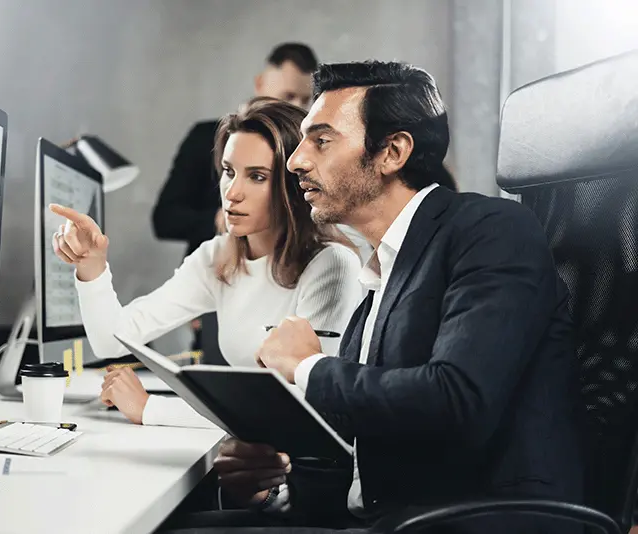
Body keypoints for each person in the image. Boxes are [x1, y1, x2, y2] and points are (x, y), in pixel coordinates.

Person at [169, 61, 583, 534]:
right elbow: (369, 462)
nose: (296, 161)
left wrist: (307, 367)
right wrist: (274, 493)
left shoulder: (491, 231)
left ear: (392, 152)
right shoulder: (381, 271)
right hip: (385, 518)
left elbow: (456, 400)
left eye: (321, 141)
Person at [50, 97, 363, 429]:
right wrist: (91, 266)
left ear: (294, 183)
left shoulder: (333, 266)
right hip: (255, 449)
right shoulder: (219, 256)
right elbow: (111, 340)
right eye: (229, 172)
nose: (232, 192)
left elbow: (305, 409)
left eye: (257, 177)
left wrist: (150, 409)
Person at [151, 43, 319, 360]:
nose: (297, 108)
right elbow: (165, 218)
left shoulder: (304, 156)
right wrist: (224, 219)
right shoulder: (205, 138)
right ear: (260, 84)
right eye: (288, 96)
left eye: (305, 100)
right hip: (220, 294)